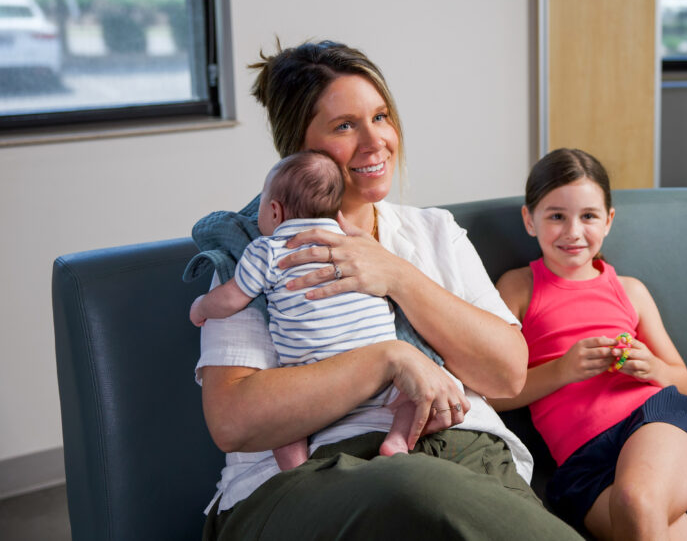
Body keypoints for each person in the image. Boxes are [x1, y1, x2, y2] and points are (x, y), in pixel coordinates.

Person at [190, 40, 581, 540]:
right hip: (311, 476)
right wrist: (389, 359)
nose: (375, 142)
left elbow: (507, 374)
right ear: (299, 147)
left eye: (380, 117)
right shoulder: (252, 245)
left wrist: (397, 275)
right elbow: (234, 420)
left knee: (435, 491)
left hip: (465, 454)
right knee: (419, 489)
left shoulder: (433, 232)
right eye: (345, 126)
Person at [490, 148, 687, 540]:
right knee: (645, 519)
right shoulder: (518, 287)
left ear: (608, 221)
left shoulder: (630, 291)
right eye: (556, 216)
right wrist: (561, 371)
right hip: (583, 466)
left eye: (588, 216)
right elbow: (490, 392)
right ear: (529, 220)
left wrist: (649, 366)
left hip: (654, 422)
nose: (573, 232)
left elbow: (682, 380)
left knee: (638, 502)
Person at [189, 149, 417, 466]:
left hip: (314, 382)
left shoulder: (266, 249)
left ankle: (296, 470)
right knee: (410, 401)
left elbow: (232, 298)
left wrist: (201, 307)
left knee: (284, 427)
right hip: (383, 383)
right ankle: (397, 439)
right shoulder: (359, 245)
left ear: (274, 211)